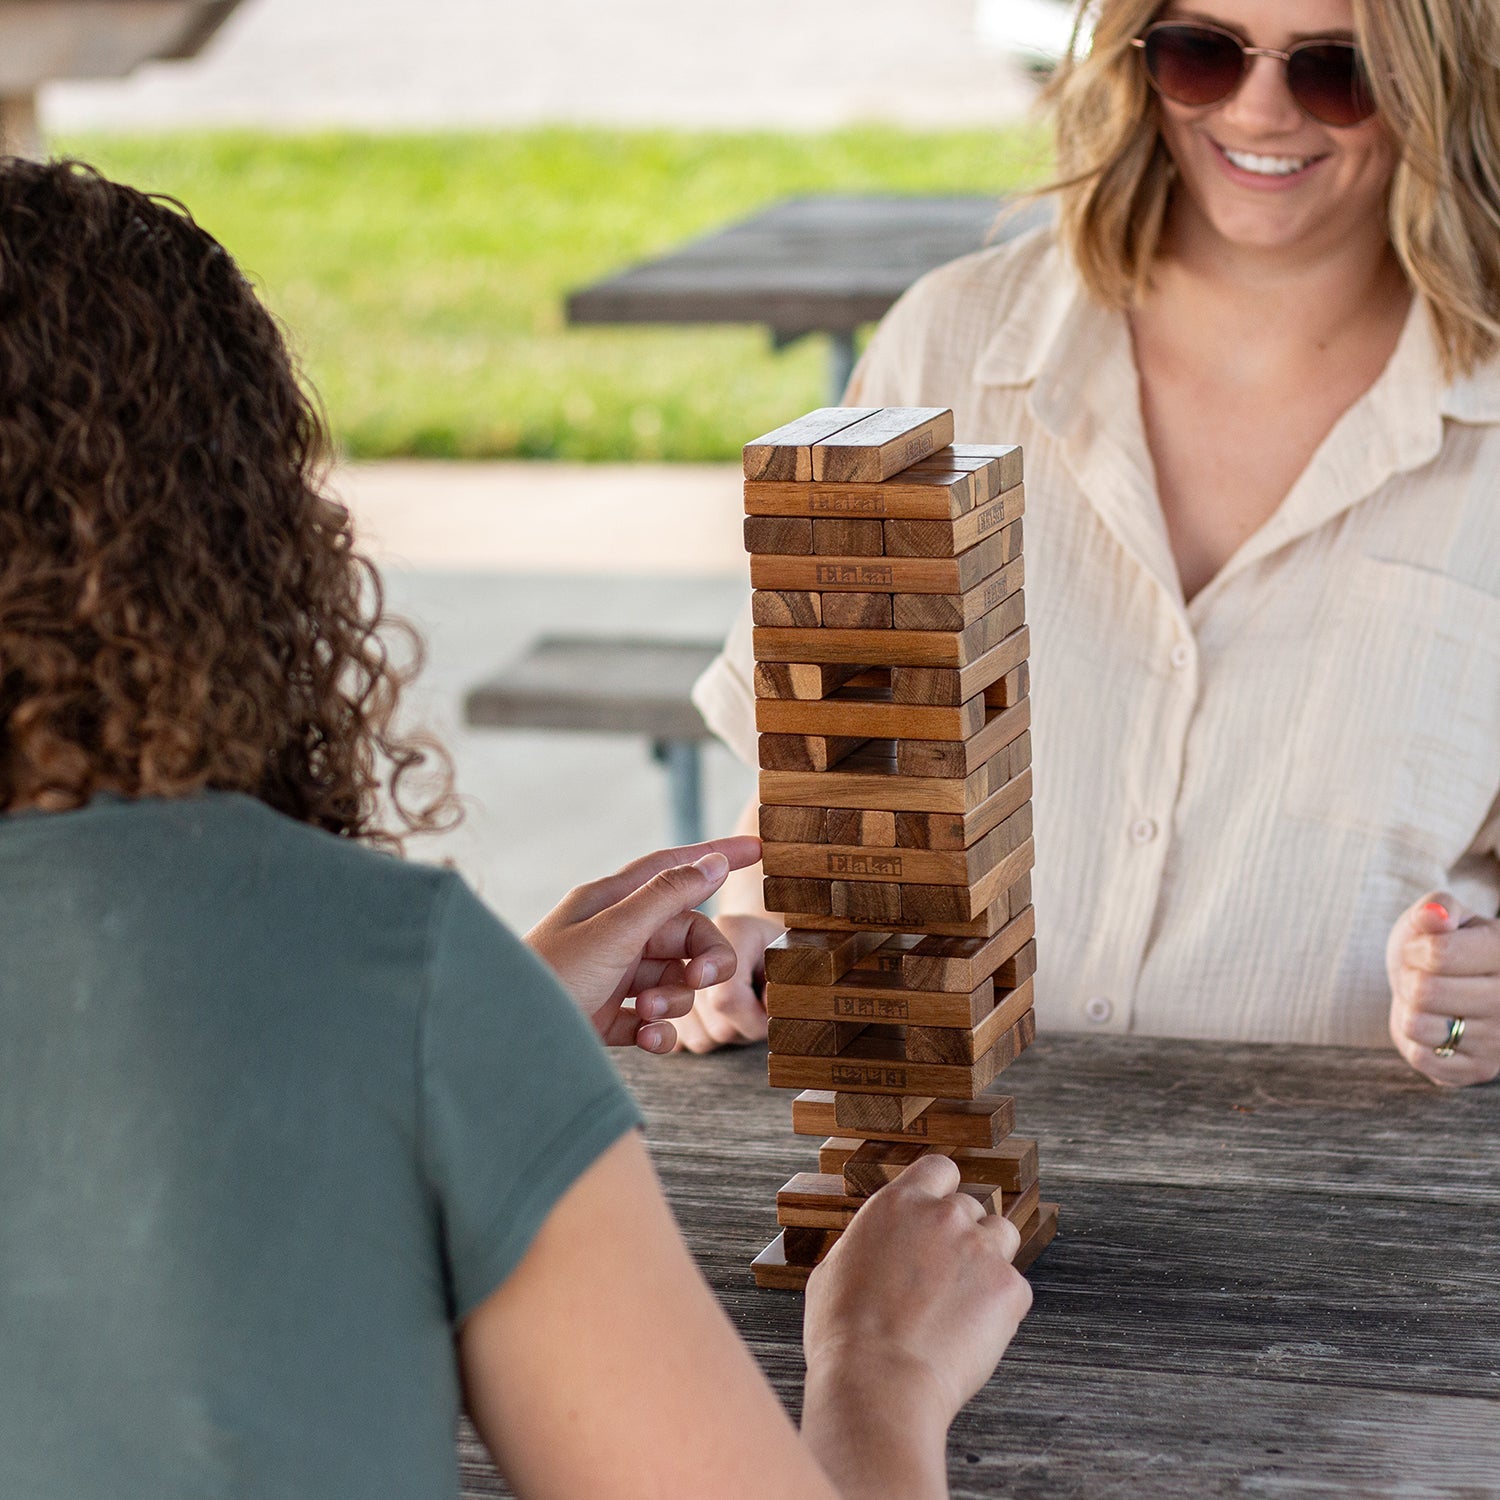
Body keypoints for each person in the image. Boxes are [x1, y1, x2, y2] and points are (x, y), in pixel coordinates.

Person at [0, 157, 1033, 1500]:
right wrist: (883, 1372)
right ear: (235, 542)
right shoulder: (402, 988)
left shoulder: (421, 1010)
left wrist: (497, 1029)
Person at [681, 0, 1500, 1087]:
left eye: (1335, 70)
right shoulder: (947, 347)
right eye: (1200, 53)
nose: (1259, 108)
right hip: (939, 1180)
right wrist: (748, 943)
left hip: (1335, 1215)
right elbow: (811, 786)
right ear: (1136, 55)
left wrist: (1465, 1024)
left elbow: (1480, 992)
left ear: (1439, 83)